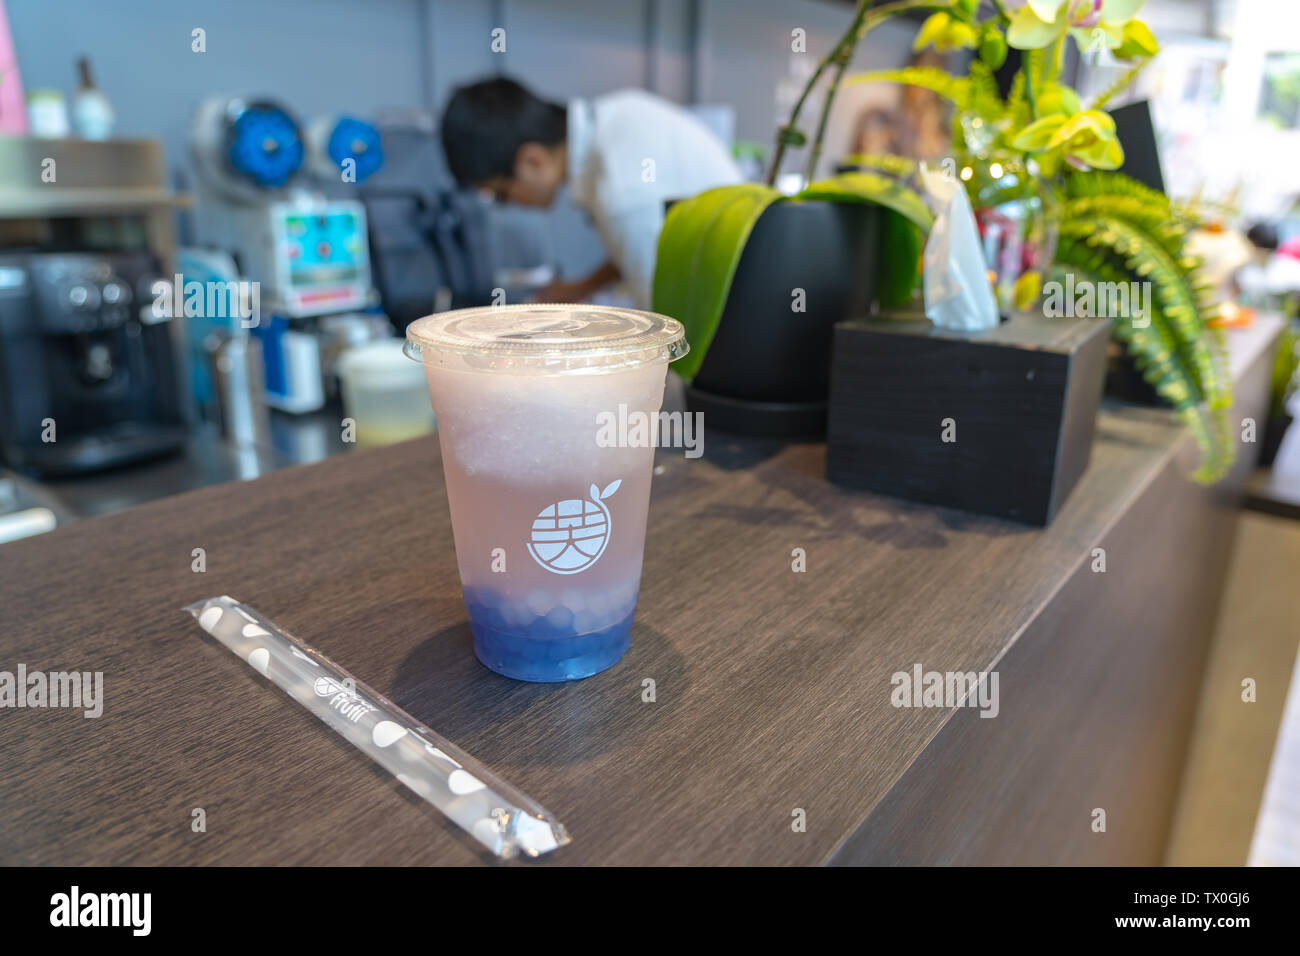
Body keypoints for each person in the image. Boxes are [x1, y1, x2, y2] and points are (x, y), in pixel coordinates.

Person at [440, 77, 742, 309]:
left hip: (721, 340)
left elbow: (664, 326)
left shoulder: (622, 191)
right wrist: (580, 288)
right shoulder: (617, 117)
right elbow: (653, 249)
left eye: (501, 194)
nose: (509, 205)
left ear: (532, 160)